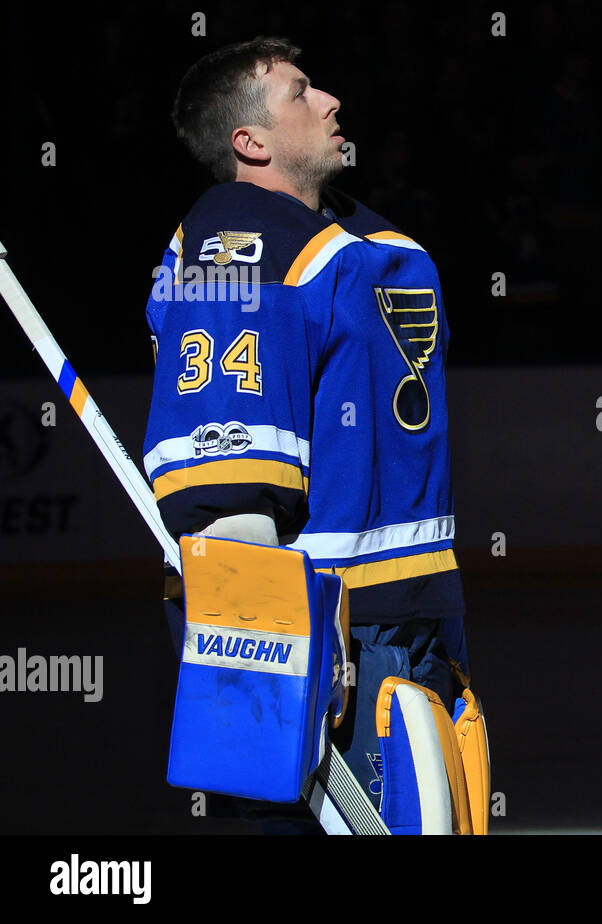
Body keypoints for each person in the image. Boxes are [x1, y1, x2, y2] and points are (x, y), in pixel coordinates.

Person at [142, 36, 470, 831]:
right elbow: (231, 493)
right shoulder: (240, 249)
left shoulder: (360, 242)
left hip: (410, 620)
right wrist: (281, 658)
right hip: (331, 637)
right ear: (248, 142)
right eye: (300, 93)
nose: (329, 103)